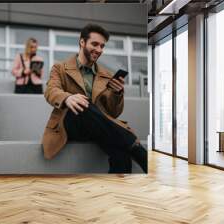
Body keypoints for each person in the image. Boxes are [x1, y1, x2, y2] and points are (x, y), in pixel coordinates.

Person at [42, 24, 147, 173]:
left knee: (121, 152)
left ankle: (119, 190)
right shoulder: (59, 68)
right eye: (95, 44)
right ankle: (136, 148)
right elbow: (51, 90)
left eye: (102, 46)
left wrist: (116, 94)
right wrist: (67, 98)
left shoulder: (106, 74)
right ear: (82, 42)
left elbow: (113, 112)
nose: (99, 50)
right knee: (83, 103)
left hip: (98, 126)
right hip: (71, 124)